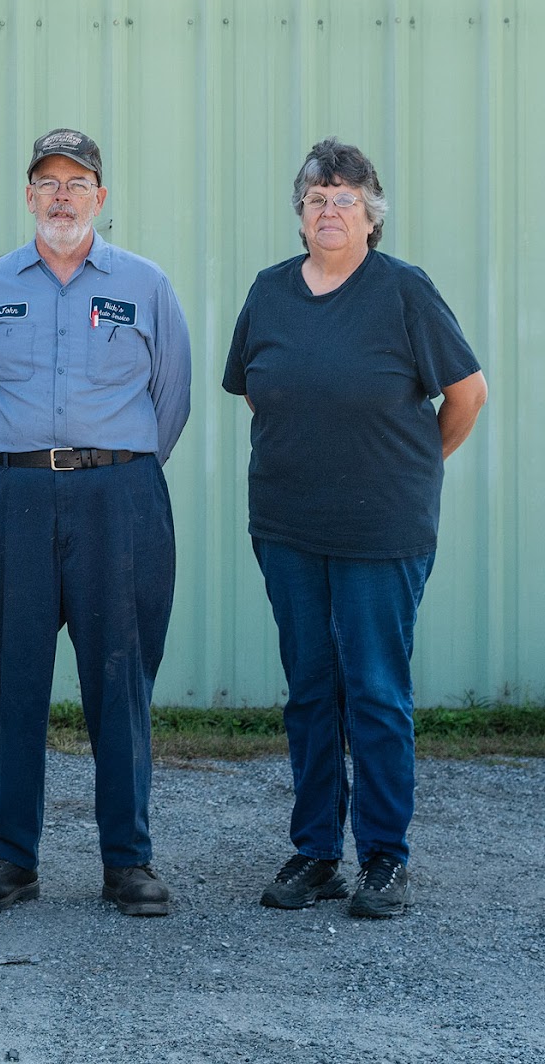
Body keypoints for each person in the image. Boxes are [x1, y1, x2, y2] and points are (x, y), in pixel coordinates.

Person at [224, 138, 486, 921]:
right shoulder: (269, 291)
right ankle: (316, 853)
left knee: (374, 691)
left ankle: (384, 857)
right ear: (300, 214)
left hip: (382, 530)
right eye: (317, 198)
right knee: (310, 691)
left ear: (371, 216)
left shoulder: (404, 290)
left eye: (346, 198)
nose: (330, 210)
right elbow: (257, 390)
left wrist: (412, 468)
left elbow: (467, 395)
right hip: (289, 526)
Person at [0, 128, 191, 918]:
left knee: (120, 681)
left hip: (119, 499)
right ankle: (9, 857)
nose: (61, 196)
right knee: (12, 679)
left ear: (100, 197)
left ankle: (128, 861)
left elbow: (172, 398)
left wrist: (112, 468)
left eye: (77, 182)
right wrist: (23, 461)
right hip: (11, 497)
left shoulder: (146, 285)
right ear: (29, 196)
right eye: (48, 182)